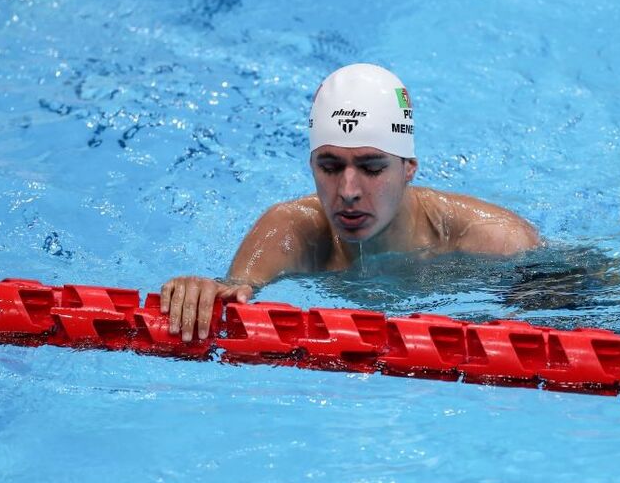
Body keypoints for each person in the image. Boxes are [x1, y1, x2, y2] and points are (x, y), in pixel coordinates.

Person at [161, 63, 540, 341]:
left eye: (371, 168)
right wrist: (203, 292)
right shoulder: (290, 230)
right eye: (330, 166)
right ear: (311, 165)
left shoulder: (493, 238)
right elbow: (236, 290)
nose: (347, 190)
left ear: (409, 168)